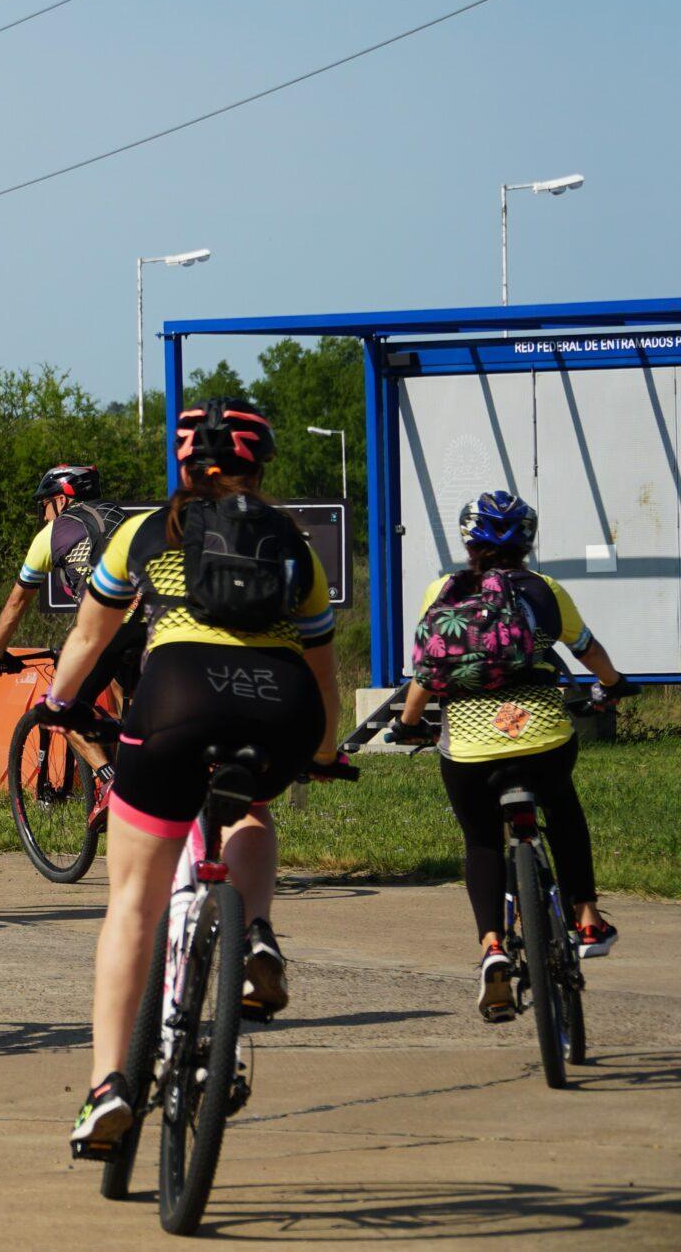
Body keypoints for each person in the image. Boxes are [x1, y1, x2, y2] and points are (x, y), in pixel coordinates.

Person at [54, 397, 340, 1160]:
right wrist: (323, 748)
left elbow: (92, 631)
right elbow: (322, 666)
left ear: (182, 463)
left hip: (177, 696)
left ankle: (109, 1084)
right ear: (260, 464)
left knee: (133, 904)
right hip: (279, 707)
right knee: (250, 809)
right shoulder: (293, 542)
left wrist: (58, 701)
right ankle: (253, 933)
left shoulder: (145, 530)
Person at [392, 491, 631, 1018]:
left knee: (481, 842)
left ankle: (493, 947)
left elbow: (427, 673)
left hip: (471, 747)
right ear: (527, 539)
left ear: (468, 539)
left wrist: (408, 725)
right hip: (543, 734)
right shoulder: (545, 589)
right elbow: (587, 649)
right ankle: (586, 915)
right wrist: (615, 684)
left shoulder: (443, 589)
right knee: (563, 808)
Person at [0, 464, 141, 756]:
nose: (44, 515)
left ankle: (108, 782)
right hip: (151, 624)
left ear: (61, 500)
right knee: (129, 703)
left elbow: (16, 603)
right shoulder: (124, 518)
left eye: (45, 505)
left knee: (61, 711)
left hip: (106, 628)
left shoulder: (53, 532)